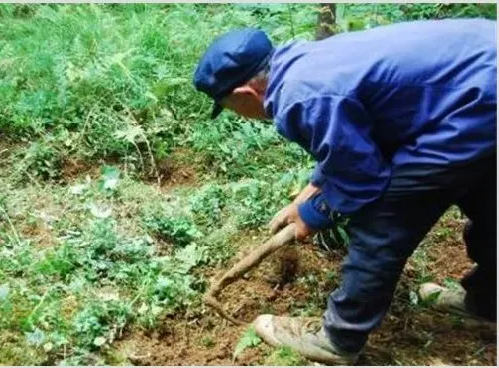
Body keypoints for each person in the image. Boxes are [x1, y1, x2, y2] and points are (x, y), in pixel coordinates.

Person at [193, 19, 496, 365]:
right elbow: (356, 133)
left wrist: (312, 215)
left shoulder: (297, 99)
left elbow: (365, 180)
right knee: (490, 203)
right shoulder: (305, 62)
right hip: (483, 75)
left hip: (476, 103)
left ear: (246, 94)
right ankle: (489, 301)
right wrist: (314, 188)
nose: (240, 116)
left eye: (230, 108)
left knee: (384, 218)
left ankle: (339, 338)